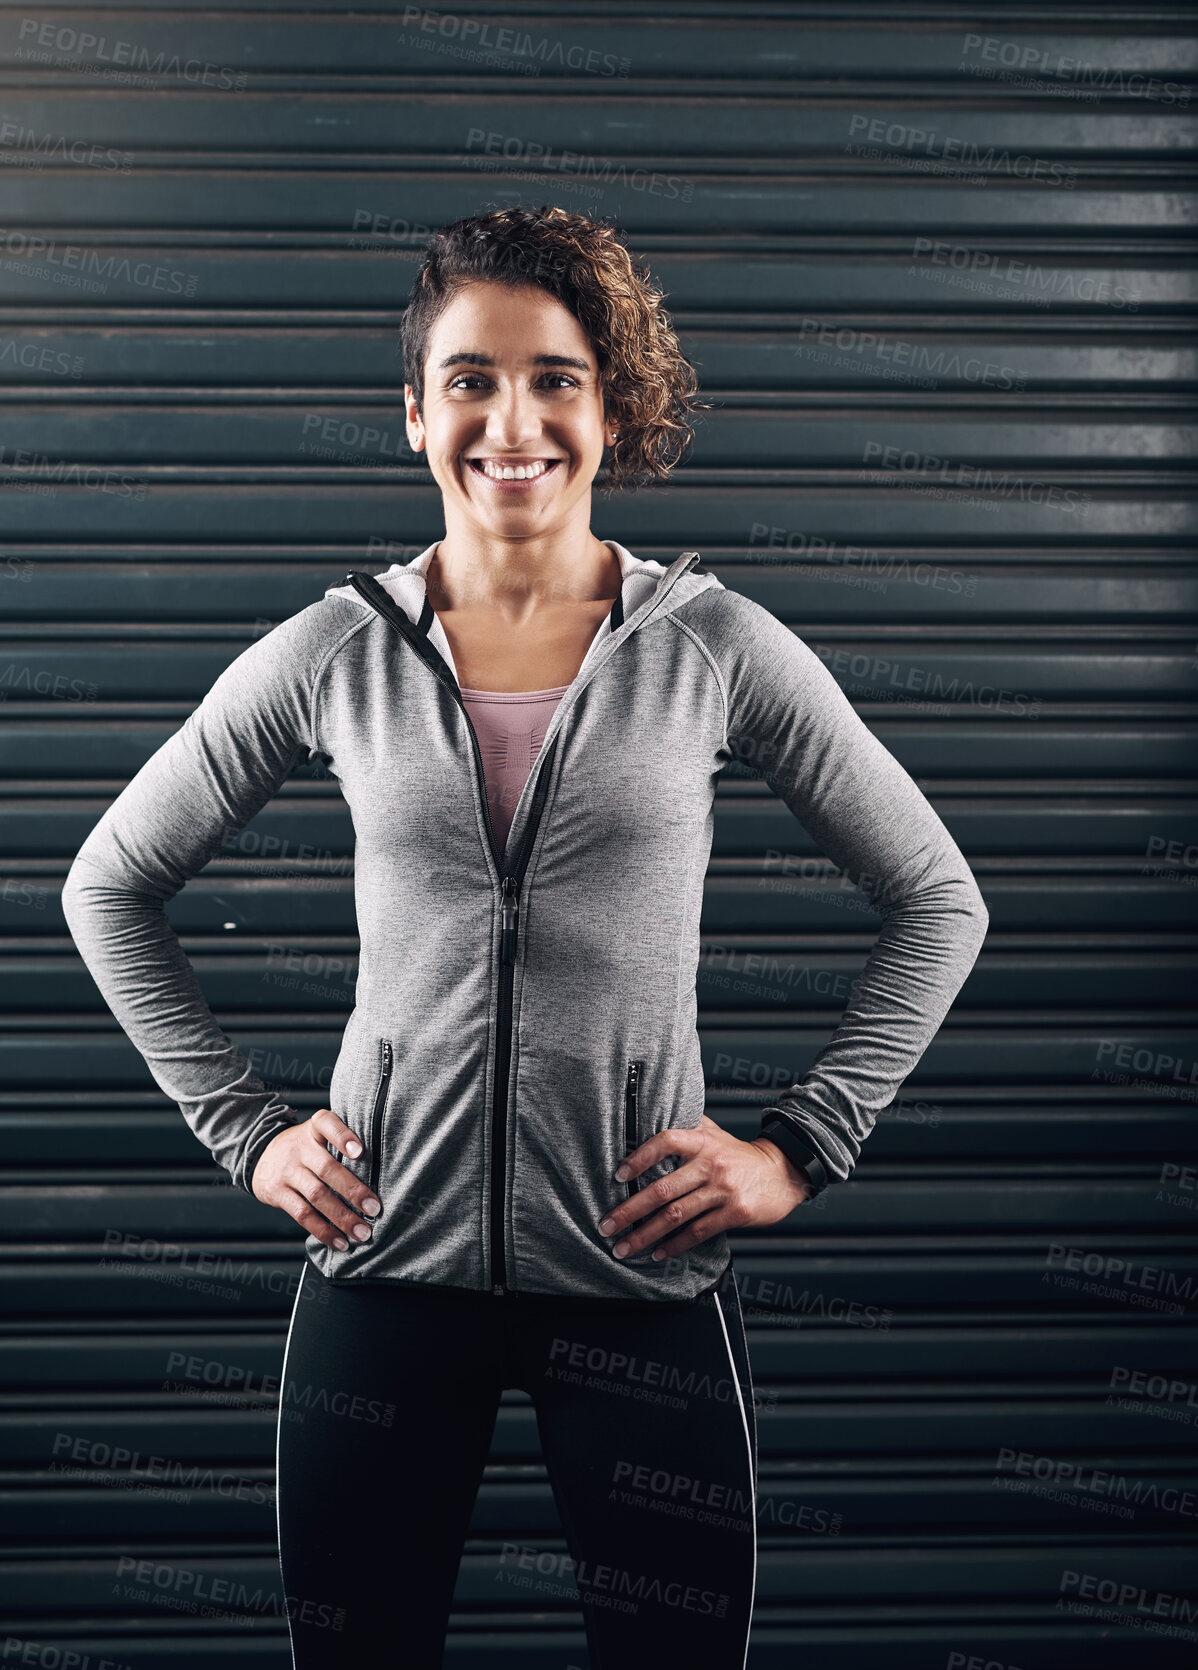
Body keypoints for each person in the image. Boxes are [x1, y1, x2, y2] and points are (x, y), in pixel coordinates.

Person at [61, 205, 989, 1668]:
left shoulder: (712, 646)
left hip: (634, 1278)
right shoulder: (336, 650)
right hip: (382, 1274)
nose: (516, 419)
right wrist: (243, 1131)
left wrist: (803, 1142)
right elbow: (106, 881)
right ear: (417, 412)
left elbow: (939, 896)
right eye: (474, 378)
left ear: (612, 409)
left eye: (557, 377)